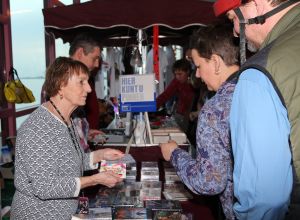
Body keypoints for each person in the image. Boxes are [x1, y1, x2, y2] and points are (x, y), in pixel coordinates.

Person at [11, 57, 124, 219]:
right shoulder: (38, 128)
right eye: (81, 82)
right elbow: (44, 187)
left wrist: (99, 155)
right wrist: (93, 180)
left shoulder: (66, 119)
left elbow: (68, 162)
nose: (89, 89)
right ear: (61, 85)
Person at [213, 0, 297, 219]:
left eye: (233, 18)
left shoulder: (259, 74)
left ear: (257, 5)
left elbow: (265, 199)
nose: (234, 31)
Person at [160, 23, 240, 220]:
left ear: (215, 62)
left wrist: (174, 154)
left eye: (198, 66)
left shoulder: (215, 109)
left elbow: (209, 182)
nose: (196, 74)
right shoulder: (257, 87)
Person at [156, 58, 195, 132]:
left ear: (188, 72)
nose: (177, 77)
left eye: (180, 74)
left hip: (193, 117)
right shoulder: (177, 81)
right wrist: (153, 106)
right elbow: (166, 95)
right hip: (179, 115)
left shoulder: (196, 83)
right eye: (176, 74)